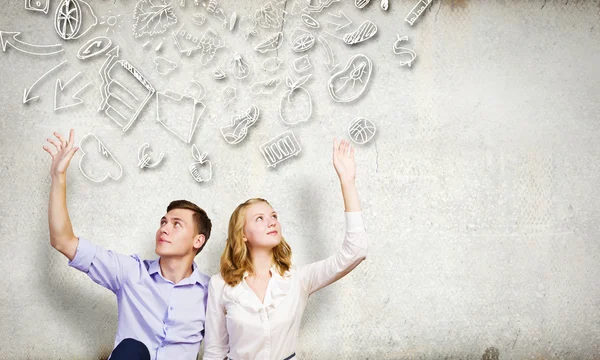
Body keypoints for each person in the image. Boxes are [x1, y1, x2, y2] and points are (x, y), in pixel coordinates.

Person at [43, 129, 213, 360]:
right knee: (133, 348)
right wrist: (58, 177)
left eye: (176, 224)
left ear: (198, 240)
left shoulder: (212, 291)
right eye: (163, 222)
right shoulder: (131, 272)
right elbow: (63, 241)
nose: (164, 228)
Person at [203, 138, 368, 360]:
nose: (271, 222)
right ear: (242, 234)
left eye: (273, 216)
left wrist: (347, 182)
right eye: (259, 218)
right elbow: (214, 352)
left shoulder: (298, 278)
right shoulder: (219, 284)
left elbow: (356, 251)